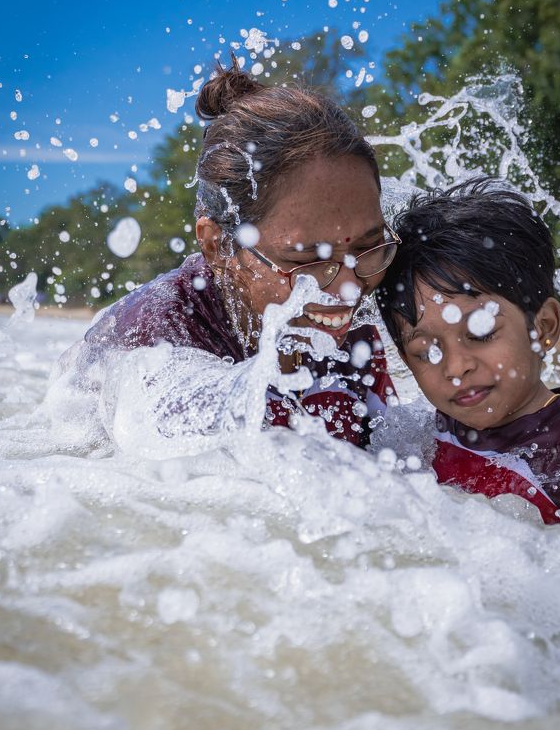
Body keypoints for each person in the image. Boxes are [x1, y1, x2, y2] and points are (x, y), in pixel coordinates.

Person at [76, 60, 399, 450]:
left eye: (366, 247)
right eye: (306, 261)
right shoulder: (157, 346)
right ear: (217, 246)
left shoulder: (355, 326)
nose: (349, 289)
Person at [377, 178, 560, 523]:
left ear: (543, 327)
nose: (455, 367)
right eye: (426, 352)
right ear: (405, 360)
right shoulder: (421, 439)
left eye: (481, 333)